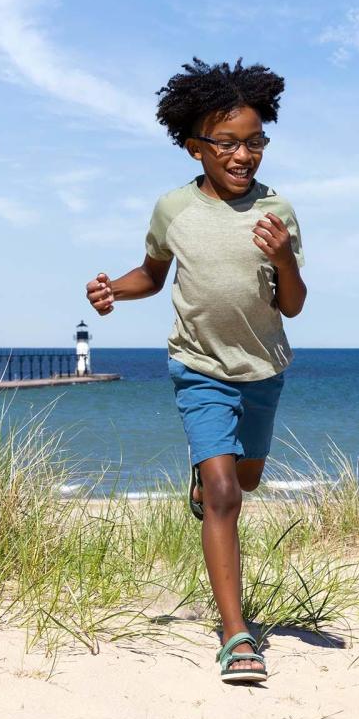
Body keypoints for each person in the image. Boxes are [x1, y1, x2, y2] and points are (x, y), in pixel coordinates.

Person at [86, 59, 306, 685]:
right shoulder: (173, 209)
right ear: (195, 146)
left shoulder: (279, 211)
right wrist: (114, 291)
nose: (244, 155)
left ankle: (209, 479)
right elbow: (152, 275)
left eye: (256, 141)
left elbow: (292, 303)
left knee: (248, 478)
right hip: (198, 366)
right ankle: (236, 635)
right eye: (229, 143)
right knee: (224, 496)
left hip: (262, 367)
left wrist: (285, 256)